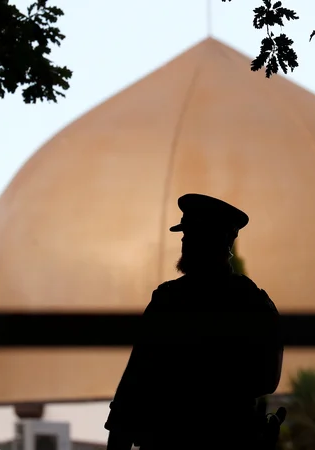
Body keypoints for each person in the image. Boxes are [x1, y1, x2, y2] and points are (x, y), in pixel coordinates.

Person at [104, 193, 284, 450]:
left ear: (216, 241)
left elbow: (136, 383)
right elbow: (266, 380)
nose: (185, 243)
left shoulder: (170, 299)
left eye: (191, 236)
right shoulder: (252, 300)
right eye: (185, 236)